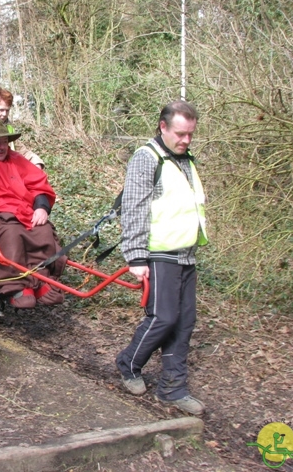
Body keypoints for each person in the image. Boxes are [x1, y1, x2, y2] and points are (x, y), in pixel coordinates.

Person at [115, 100, 208, 416]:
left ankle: (173, 389)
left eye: (190, 135)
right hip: (159, 253)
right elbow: (135, 207)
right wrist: (136, 256)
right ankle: (129, 362)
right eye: (180, 134)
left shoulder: (184, 159)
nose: (186, 140)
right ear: (163, 127)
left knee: (184, 323)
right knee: (163, 318)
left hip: (185, 255)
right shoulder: (146, 158)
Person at [0, 119, 65, 308]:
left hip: (24, 211)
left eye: (4, 142)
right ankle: (14, 285)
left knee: (44, 231)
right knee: (12, 235)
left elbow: (38, 184)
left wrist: (41, 207)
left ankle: (41, 281)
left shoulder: (16, 159)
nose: (1, 147)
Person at [0, 87, 44, 169]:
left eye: (7, 110)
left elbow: (22, 151)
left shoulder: (9, 128)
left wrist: (36, 162)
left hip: (6, 172)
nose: (4, 114)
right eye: (1, 110)